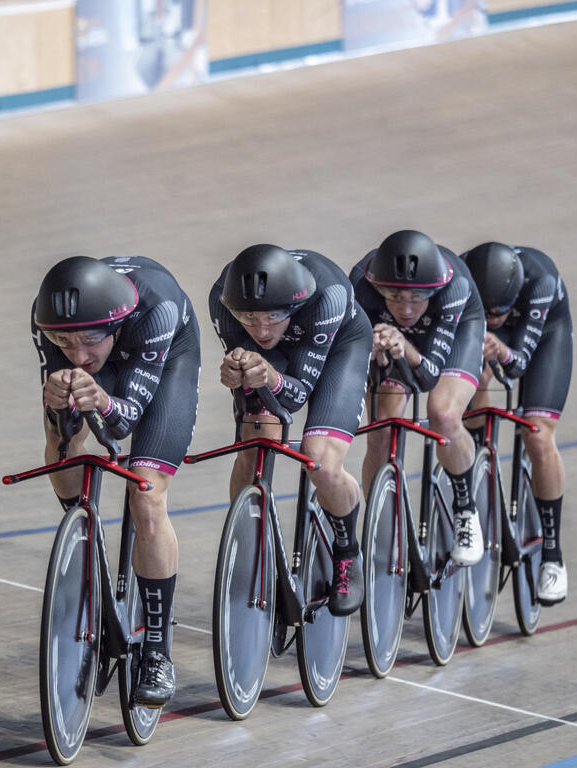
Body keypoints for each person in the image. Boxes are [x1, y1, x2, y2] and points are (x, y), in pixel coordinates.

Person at [31, 255, 201, 707]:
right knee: (61, 448)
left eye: (88, 340)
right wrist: (57, 409)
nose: (78, 355)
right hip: (113, 363)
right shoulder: (47, 319)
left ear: (114, 323)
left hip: (163, 366)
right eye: (63, 342)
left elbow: (124, 425)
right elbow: (63, 434)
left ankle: (159, 651)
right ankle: (84, 539)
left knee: (145, 492)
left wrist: (103, 402)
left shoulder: (157, 311)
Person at [209, 244, 372, 616]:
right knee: (255, 445)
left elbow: (295, 395)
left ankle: (346, 551)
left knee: (319, 459)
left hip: (337, 350)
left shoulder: (327, 297)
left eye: (273, 316)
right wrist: (239, 372)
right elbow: (254, 365)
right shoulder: (222, 298)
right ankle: (251, 548)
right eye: (248, 317)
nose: (261, 328)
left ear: (294, 305)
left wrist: (268, 376)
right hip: (280, 358)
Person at [349, 230, 487, 566]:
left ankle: (466, 510)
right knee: (381, 432)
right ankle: (381, 527)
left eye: (415, 297)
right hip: (391, 342)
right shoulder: (361, 286)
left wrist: (403, 345)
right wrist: (371, 348)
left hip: (452, 337)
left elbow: (428, 377)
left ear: (433, 291)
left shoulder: (453, 289)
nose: (405, 308)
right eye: (394, 296)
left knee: (442, 414)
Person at [462, 242, 573, 604]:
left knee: (537, 435)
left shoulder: (539, 283)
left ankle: (553, 556)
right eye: (487, 312)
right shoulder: (462, 276)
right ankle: (477, 462)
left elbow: (518, 364)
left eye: (500, 312)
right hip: (497, 336)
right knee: (471, 376)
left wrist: (503, 349)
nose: (494, 317)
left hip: (542, 337)